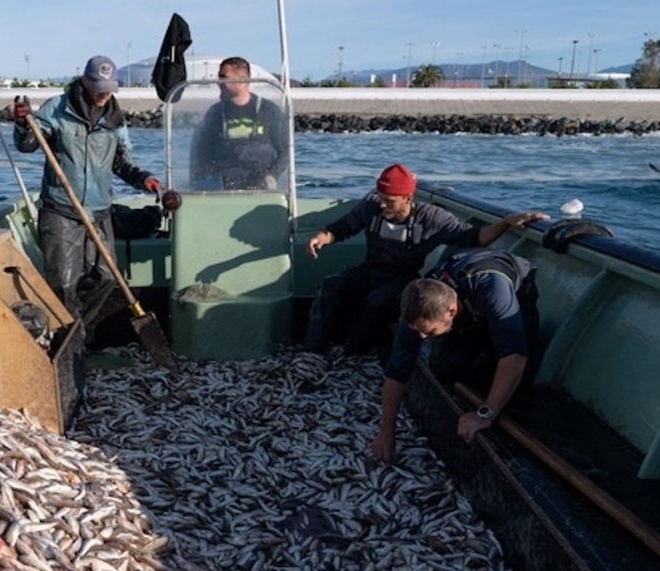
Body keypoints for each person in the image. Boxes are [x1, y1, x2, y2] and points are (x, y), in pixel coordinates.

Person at [303, 163, 547, 356]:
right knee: (331, 286)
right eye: (380, 197)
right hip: (369, 269)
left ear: (408, 198)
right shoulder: (371, 208)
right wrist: (321, 239)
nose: (383, 203)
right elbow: (342, 227)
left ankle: (351, 350)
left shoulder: (431, 218)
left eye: (390, 200)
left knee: (378, 301)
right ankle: (311, 351)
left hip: (401, 280)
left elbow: (473, 237)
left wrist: (505, 223)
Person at [13, 55, 161, 331]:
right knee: (65, 281)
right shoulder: (56, 109)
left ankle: (76, 328)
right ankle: (72, 340)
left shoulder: (115, 119)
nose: (105, 93)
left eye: (109, 87)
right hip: (61, 209)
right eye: (99, 86)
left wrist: (143, 179)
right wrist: (23, 124)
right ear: (84, 81)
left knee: (106, 276)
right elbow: (28, 144)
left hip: (100, 209)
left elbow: (120, 163)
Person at [372, 248, 540, 463]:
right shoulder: (418, 310)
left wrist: (485, 414)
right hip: (468, 308)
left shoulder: (492, 290)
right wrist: (386, 432)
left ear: (450, 312)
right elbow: (396, 371)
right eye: (419, 331)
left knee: (513, 377)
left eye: (429, 332)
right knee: (445, 368)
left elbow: (515, 355)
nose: (422, 337)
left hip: (515, 299)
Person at [189, 56, 289, 191]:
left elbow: (286, 150)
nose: (218, 82)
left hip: (261, 184)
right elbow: (202, 153)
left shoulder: (269, 111)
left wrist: (273, 176)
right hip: (224, 186)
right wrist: (204, 183)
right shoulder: (215, 113)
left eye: (223, 77)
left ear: (241, 81)